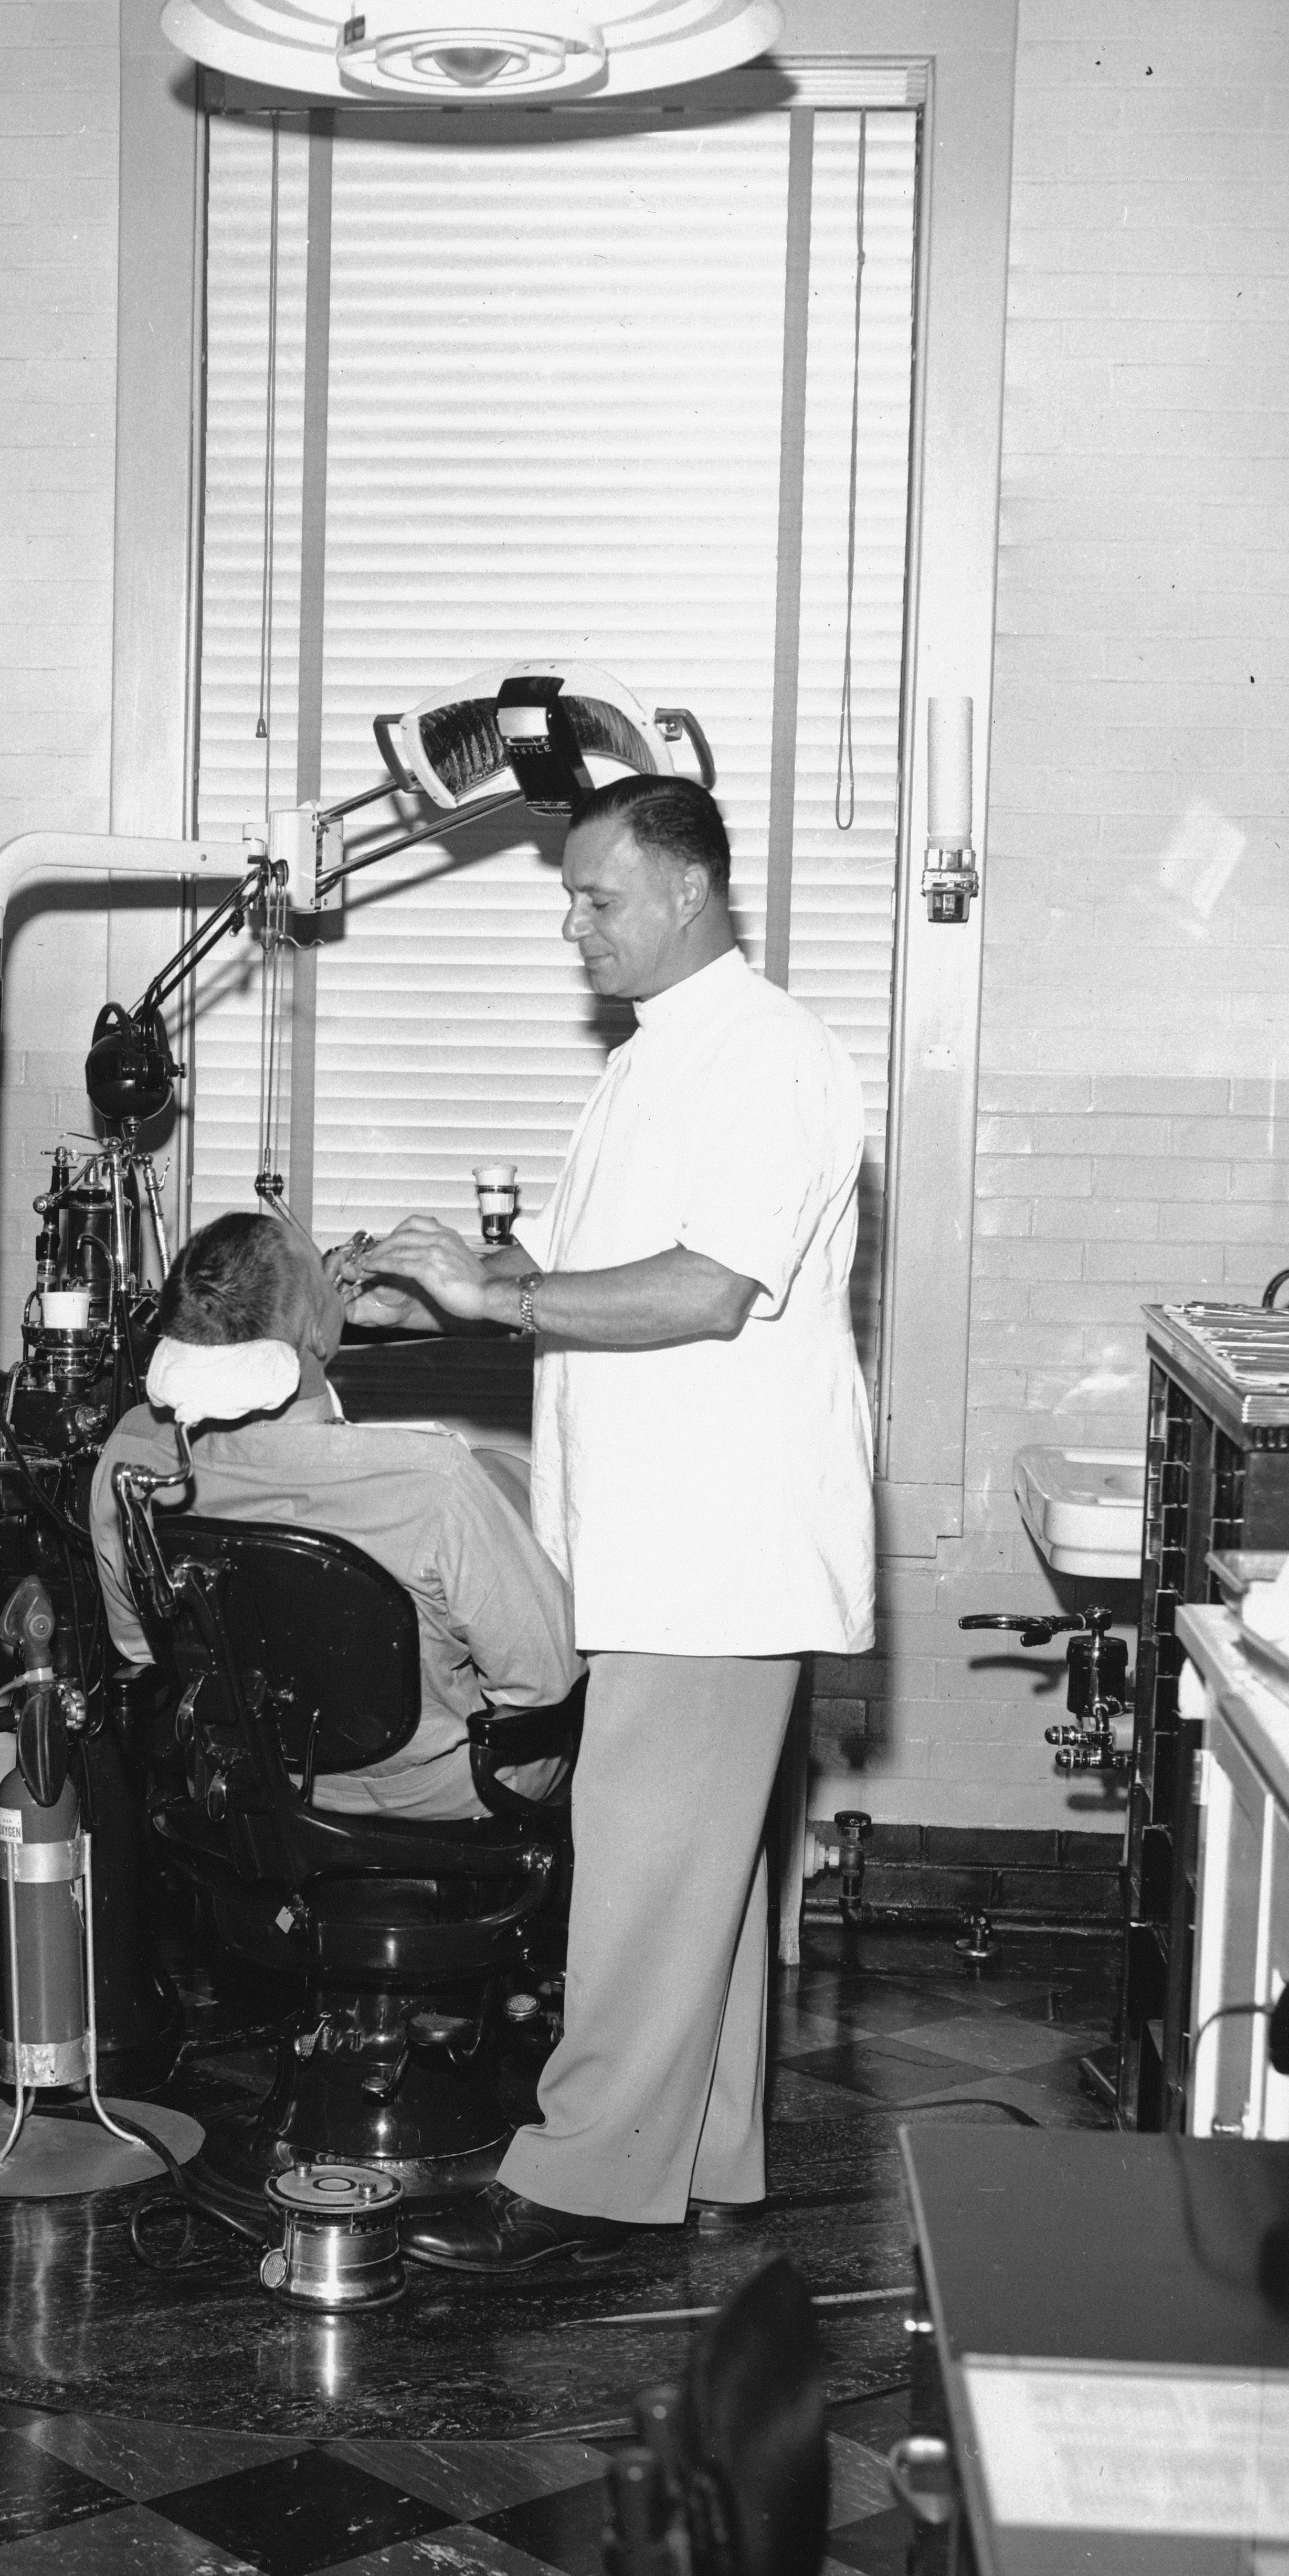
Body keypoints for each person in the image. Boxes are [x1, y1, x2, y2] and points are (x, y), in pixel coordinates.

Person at [352, 772, 874, 2277]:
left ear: (689, 890)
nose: (573, 926)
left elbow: (703, 1292)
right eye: (569, 900)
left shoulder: (769, 1058)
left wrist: (496, 1291)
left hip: (716, 1544)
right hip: (662, 1536)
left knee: (643, 1863)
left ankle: (577, 2182)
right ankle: (705, 2155)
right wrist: (439, 1287)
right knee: (692, 1868)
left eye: (598, 897)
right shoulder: (658, 1060)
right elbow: (598, 1288)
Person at [89, 1212, 580, 1821]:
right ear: (319, 1334)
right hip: (438, 1793)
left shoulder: (130, 1456)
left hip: (251, 1774)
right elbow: (546, 1684)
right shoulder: (433, 1482)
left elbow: (142, 1648)